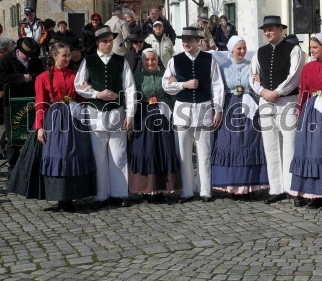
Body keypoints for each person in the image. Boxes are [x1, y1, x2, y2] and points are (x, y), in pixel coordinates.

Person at [74, 26, 136, 209]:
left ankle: (119, 193)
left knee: (118, 155)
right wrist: (96, 94)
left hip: (117, 113)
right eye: (104, 41)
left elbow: (130, 88)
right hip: (96, 114)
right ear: (97, 43)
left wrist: (130, 115)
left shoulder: (121, 61)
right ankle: (101, 195)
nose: (108, 44)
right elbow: (79, 86)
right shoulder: (89, 61)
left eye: (110, 40)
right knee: (99, 157)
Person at [162, 27, 224, 203]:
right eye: (184, 40)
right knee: (183, 152)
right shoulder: (175, 61)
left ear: (198, 40)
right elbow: (166, 85)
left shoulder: (209, 59)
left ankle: (205, 191)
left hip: (204, 109)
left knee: (204, 151)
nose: (186, 43)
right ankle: (187, 191)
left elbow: (217, 86)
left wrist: (218, 109)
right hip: (182, 111)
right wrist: (183, 85)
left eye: (190, 39)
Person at [34, 43, 97, 212]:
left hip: (74, 120)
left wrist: (85, 90)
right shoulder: (42, 77)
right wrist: (39, 127)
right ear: (54, 56)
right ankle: (60, 196)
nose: (68, 58)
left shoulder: (75, 75)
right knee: (58, 155)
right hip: (55, 121)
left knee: (75, 154)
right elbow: (40, 104)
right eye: (64, 55)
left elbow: (82, 99)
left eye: (69, 55)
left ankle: (72, 196)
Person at [250, 15, 304, 205]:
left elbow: (295, 75)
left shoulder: (294, 49)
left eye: (271, 29)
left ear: (281, 29)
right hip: (265, 101)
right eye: (265, 30)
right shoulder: (260, 51)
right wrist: (263, 91)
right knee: (270, 146)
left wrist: (278, 92)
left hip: (287, 101)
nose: (268, 32)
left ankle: (292, 188)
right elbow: (252, 76)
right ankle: (276, 188)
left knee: (290, 145)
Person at [289, 33, 322, 210]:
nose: (312, 51)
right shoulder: (308, 67)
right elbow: (304, 90)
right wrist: (300, 110)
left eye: (315, 47)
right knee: (308, 151)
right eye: (310, 48)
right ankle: (311, 192)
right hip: (310, 111)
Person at [211, 36, 268, 199]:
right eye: (239, 48)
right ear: (231, 49)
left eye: (244, 48)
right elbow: (217, 88)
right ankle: (230, 184)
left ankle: (248, 185)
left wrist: (260, 79)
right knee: (229, 143)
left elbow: (258, 86)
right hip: (229, 106)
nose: (243, 51)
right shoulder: (222, 67)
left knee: (248, 142)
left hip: (248, 106)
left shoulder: (252, 66)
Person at [129, 48, 181, 202]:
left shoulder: (164, 75)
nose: (150, 62)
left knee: (162, 149)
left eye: (153, 59)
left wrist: (171, 90)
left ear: (157, 59)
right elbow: (132, 97)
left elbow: (172, 95)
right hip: (143, 117)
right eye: (147, 59)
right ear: (142, 61)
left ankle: (161, 188)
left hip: (162, 116)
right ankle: (145, 189)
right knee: (146, 150)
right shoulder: (137, 77)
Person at [0, 37, 45, 166]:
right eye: (27, 56)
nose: (29, 59)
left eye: (31, 56)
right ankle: (14, 165)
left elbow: (41, 77)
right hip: (12, 102)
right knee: (14, 135)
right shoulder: (6, 60)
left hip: (31, 100)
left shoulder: (36, 62)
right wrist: (20, 77)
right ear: (19, 51)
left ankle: (34, 162)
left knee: (32, 131)